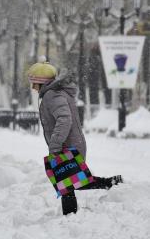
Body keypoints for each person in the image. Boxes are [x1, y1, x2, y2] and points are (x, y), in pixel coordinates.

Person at [27, 57, 123, 215]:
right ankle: (112, 183)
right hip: (71, 143)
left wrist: (55, 144)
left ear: (41, 81)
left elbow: (64, 120)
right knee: (73, 181)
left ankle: (111, 184)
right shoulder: (55, 93)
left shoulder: (52, 95)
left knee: (68, 183)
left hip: (68, 145)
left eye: (34, 83)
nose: (33, 87)